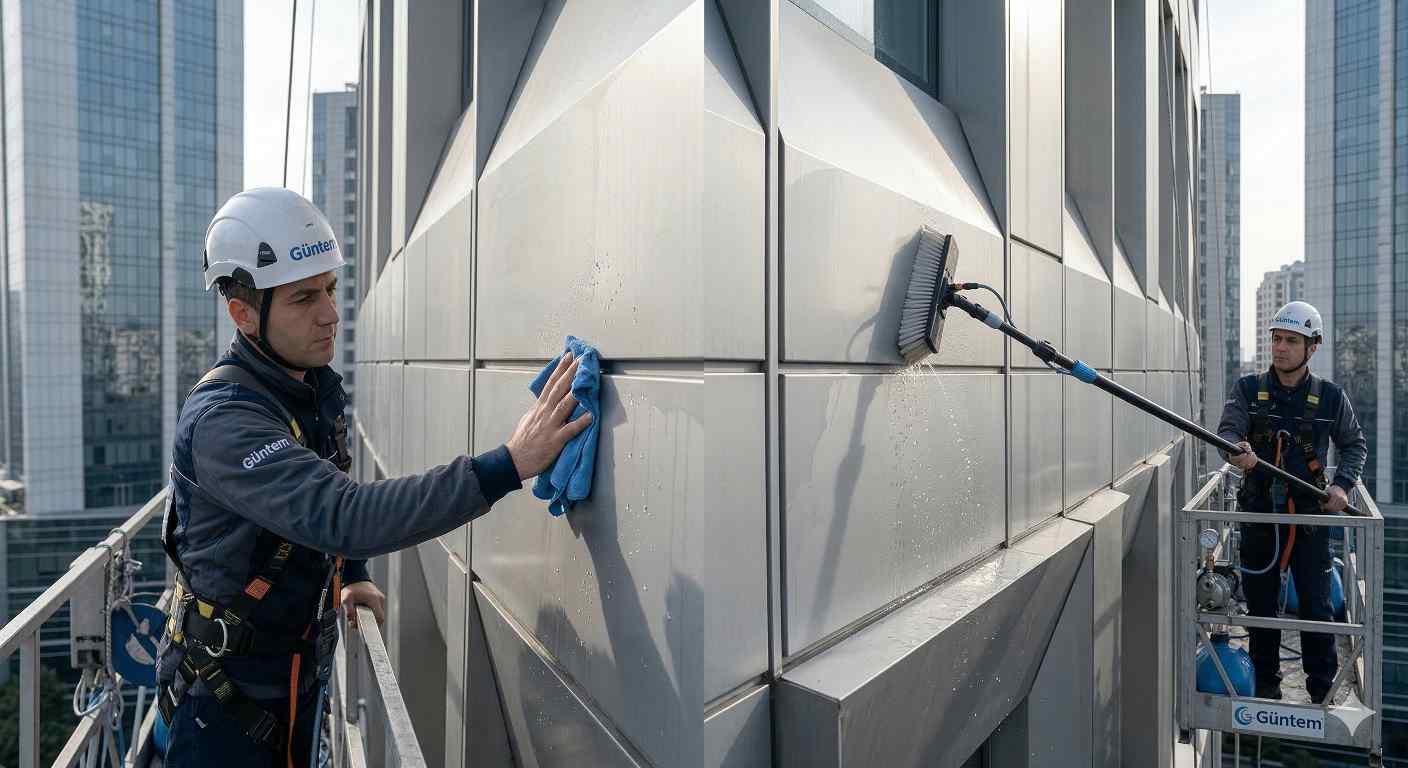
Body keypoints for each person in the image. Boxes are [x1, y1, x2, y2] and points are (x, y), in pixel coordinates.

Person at [155, 187, 592, 766]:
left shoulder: (305, 388)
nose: (330, 314)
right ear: (244, 314)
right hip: (222, 709)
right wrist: (509, 463)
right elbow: (344, 514)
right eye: (304, 297)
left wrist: (351, 573)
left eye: (329, 289)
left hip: (290, 682)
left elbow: (321, 492)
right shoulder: (226, 423)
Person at [1216, 300, 1366, 703]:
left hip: (1310, 519)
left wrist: (1342, 486)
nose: (1280, 348)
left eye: (1291, 341)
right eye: (1277, 339)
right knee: (1261, 606)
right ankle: (1267, 685)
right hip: (1260, 515)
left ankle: (1322, 690)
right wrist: (1236, 450)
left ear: (1312, 347)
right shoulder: (1248, 390)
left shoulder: (1330, 397)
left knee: (1317, 606)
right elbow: (1228, 432)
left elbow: (1354, 445)